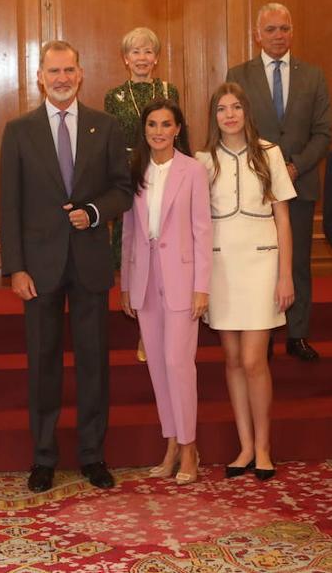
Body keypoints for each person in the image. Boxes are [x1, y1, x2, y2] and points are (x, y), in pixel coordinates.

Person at [0, 40, 132, 493]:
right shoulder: (18, 131)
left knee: (94, 363)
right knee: (43, 365)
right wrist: (15, 267)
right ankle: (43, 457)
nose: (60, 78)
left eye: (68, 70)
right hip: (39, 268)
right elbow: (10, 204)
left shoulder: (106, 126)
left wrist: (94, 212)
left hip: (90, 262)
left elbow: (122, 189)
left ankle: (93, 454)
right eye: (52, 71)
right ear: (40, 77)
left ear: (80, 75)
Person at [196, 83, 295, 481]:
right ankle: (245, 447)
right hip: (221, 268)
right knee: (233, 360)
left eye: (236, 107)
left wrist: (285, 274)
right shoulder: (203, 160)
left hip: (262, 266)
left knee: (255, 360)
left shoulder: (269, 153)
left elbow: (283, 219)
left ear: (247, 112)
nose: (230, 115)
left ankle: (266, 447)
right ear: (214, 117)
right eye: (222, 109)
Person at [226, 3, 331, 361]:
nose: (278, 36)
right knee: (259, 262)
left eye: (284, 28)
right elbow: (235, 126)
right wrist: (266, 168)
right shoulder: (238, 74)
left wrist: (295, 167)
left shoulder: (313, 76)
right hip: (255, 187)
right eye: (270, 29)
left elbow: (323, 132)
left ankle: (297, 334)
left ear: (292, 31)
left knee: (297, 261)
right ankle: (262, 333)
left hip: (299, 185)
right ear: (258, 34)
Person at [120, 99, 212, 485]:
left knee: (178, 363)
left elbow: (203, 230)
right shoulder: (135, 171)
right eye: (153, 124)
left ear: (178, 129)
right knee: (157, 366)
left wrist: (201, 286)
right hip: (145, 279)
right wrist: (125, 283)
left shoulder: (192, 170)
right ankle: (171, 443)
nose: (159, 131)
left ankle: (190, 447)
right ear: (145, 129)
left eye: (166, 124)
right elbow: (127, 232)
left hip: (182, 279)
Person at [105, 26, 180, 363]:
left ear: (157, 57)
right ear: (125, 58)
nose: (142, 58)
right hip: (132, 181)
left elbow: (179, 133)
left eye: (148, 51)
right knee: (137, 254)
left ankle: (165, 327)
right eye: (135, 52)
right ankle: (145, 332)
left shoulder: (169, 89)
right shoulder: (114, 96)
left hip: (166, 177)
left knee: (165, 254)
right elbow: (111, 143)